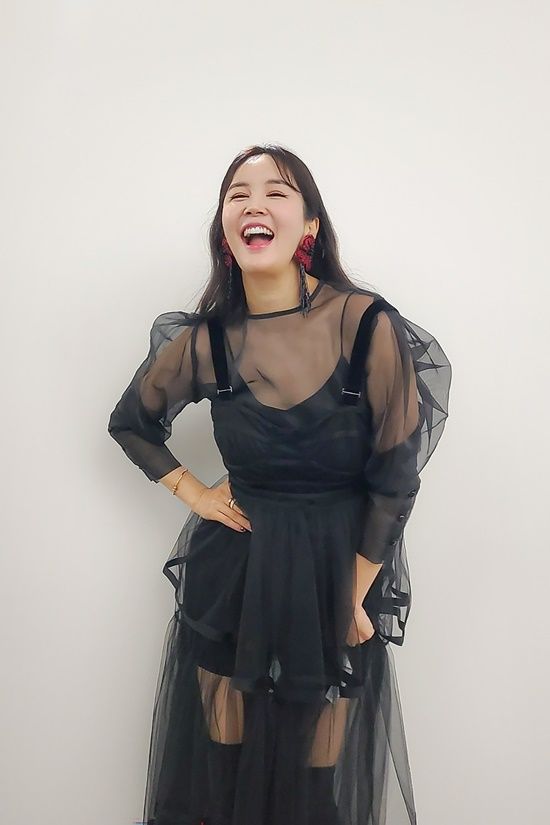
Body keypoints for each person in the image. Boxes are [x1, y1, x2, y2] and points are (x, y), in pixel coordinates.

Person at [107, 144, 452, 825]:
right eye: (238, 194)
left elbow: (395, 477)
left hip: (338, 568)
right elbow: (131, 423)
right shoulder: (207, 340)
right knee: (222, 769)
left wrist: (351, 595)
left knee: (315, 781)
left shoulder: (366, 325)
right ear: (224, 226)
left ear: (310, 225)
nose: (253, 203)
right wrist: (194, 492)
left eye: (276, 191)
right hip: (234, 569)